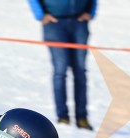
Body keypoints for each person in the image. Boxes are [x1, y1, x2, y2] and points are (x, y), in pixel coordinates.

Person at [28, 1, 97, 130]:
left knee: (80, 71)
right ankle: (63, 117)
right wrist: (41, 15)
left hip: (79, 23)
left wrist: (90, 12)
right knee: (60, 69)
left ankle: (82, 117)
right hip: (54, 24)